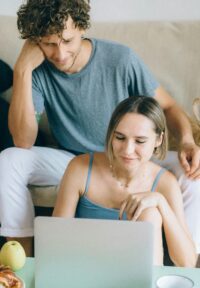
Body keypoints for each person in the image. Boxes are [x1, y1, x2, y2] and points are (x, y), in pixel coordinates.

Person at [0, 0, 199, 256]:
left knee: (193, 173)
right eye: (48, 44)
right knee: (9, 159)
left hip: (131, 155)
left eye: (67, 41)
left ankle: (193, 264)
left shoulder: (120, 59)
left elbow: (168, 107)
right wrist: (22, 70)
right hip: (77, 162)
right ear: (35, 41)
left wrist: (186, 140)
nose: (59, 54)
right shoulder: (37, 71)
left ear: (81, 28)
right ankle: (21, 261)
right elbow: (23, 141)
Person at [53, 96, 197, 267]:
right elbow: (55, 241)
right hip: (85, 266)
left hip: (136, 278)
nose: (128, 150)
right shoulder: (80, 168)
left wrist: (161, 203)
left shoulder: (165, 182)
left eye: (140, 141)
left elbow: (187, 262)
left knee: (150, 212)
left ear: (158, 140)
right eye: (120, 138)